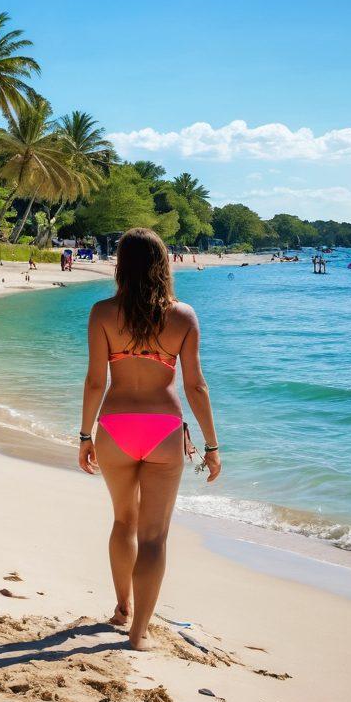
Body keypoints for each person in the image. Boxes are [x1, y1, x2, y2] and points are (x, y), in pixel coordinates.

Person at [77, 227, 221, 650]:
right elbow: (196, 387)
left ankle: (121, 609)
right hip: (163, 430)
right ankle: (138, 633)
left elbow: (93, 381)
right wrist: (211, 446)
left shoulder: (102, 313)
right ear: (164, 266)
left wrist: (85, 434)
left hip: (116, 427)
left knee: (124, 521)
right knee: (155, 535)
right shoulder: (183, 317)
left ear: (120, 267)